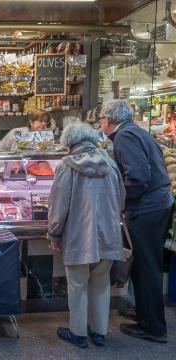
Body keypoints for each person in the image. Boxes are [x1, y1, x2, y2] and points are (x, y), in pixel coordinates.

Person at [100, 99, 173, 343]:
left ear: (109, 120)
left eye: (100, 118)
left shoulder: (124, 137)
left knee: (147, 267)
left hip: (147, 208)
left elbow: (138, 178)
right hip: (158, 203)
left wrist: (120, 203)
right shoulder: (137, 131)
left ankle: (153, 328)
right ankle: (145, 318)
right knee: (144, 266)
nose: (100, 123)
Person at [48, 122, 125, 348]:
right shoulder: (110, 164)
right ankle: (100, 333)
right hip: (108, 235)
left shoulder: (66, 165)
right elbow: (121, 199)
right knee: (102, 285)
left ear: (69, 143)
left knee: (77, 285)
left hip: (79, 237)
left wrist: (54, 233)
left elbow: (59, 205)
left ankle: (79, 334)